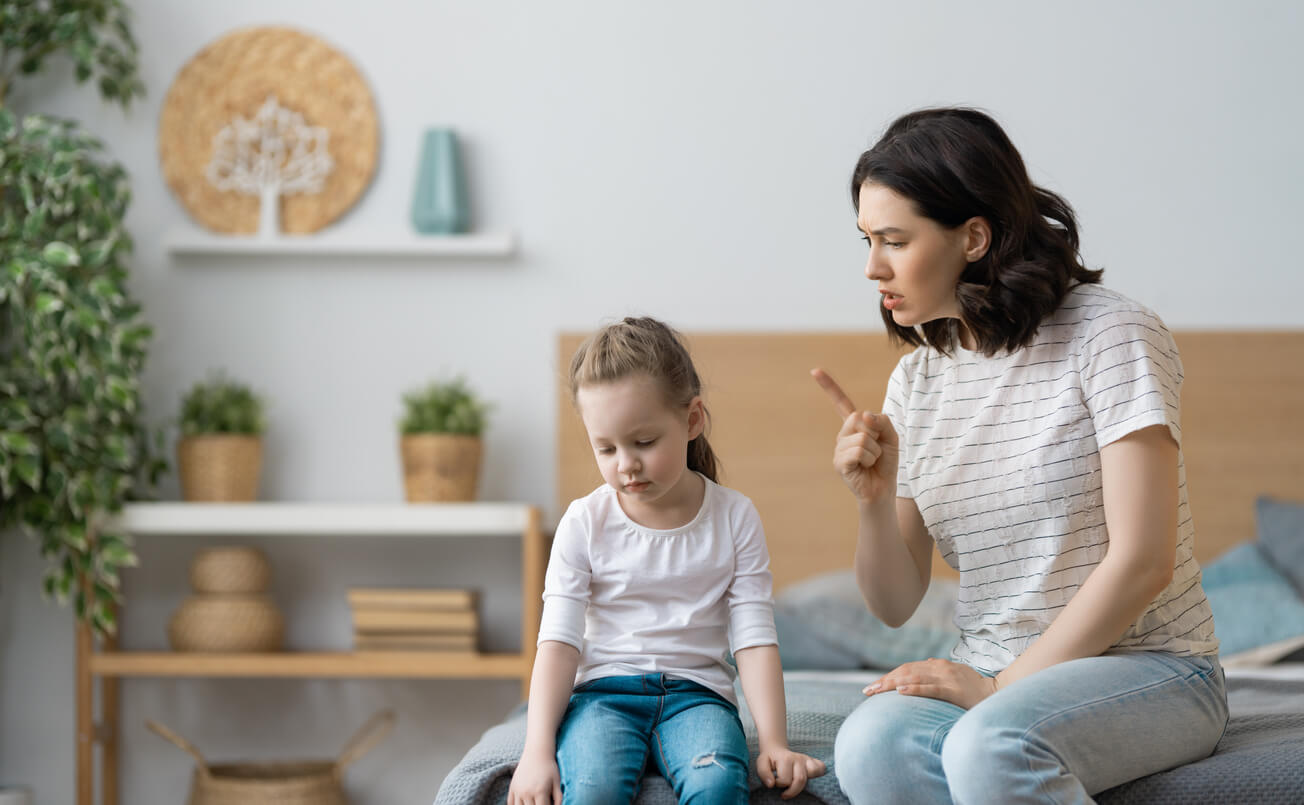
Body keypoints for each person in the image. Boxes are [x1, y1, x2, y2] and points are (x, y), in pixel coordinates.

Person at [814, 107, 1228, 804]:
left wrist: (1002, 688)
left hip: (1150, 667)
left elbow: (1143, 559)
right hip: (991, 670)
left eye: (893, 239)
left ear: (973, 236)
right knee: (868, 743)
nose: (871, 267)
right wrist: (874, 501)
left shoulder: (1110, 332)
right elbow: (894, 602)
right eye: (865, 239)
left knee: (991, 741)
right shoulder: (919, 380)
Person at [509, 316, 825, 805]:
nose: (625, 465)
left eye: (644, 442)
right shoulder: (583, 522)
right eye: (606, 448)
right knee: (592, 790)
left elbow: (754, 640)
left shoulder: (735, 517)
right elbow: (558, 643)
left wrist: (775, 742)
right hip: (602, 698)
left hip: (697, 698)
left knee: (718, 785)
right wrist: (536, 750)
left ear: (692, 419)